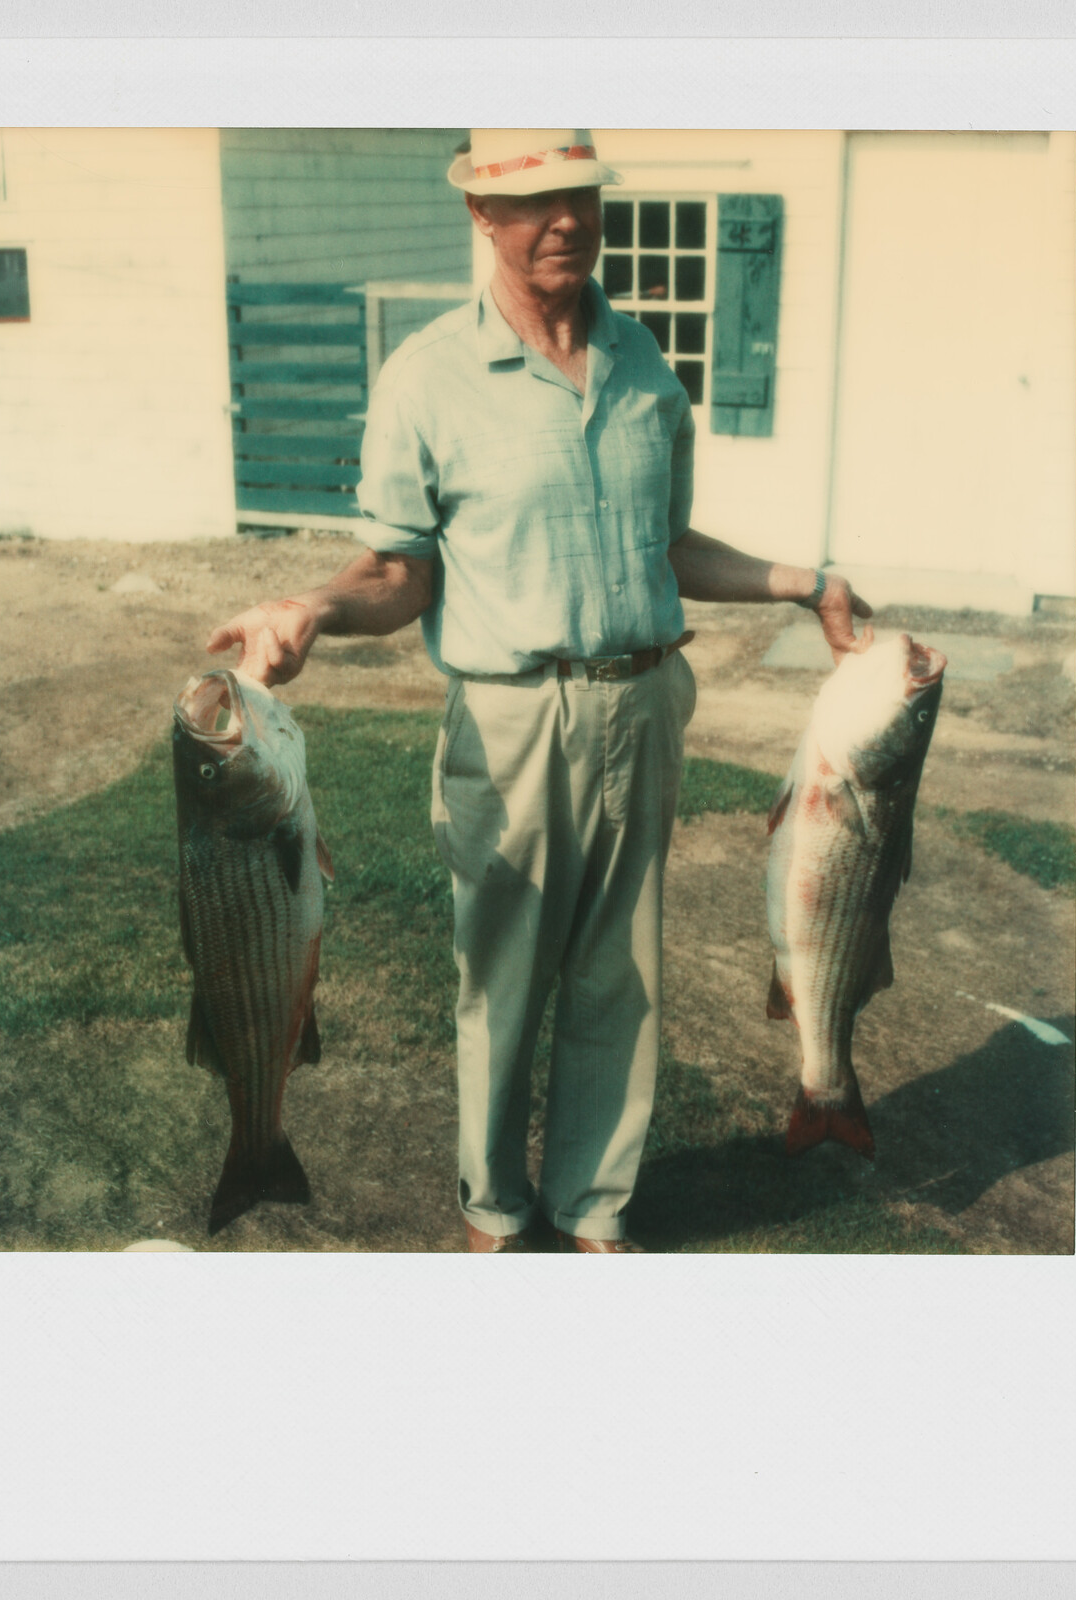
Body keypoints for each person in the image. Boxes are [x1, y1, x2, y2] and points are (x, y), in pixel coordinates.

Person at [207, 129, 871, 1254]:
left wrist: (807, 582)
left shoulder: (647, 365)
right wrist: (313, 607)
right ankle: (496, 1212)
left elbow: (670, 548)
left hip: (647, 703)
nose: (561, 219)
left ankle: (596, 1208)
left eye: (577, 195)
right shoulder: (426, 375)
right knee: (501, 980)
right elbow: (396, 569)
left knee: (624, 975)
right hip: (509, 718)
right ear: (483, 217)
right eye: (530, 203)